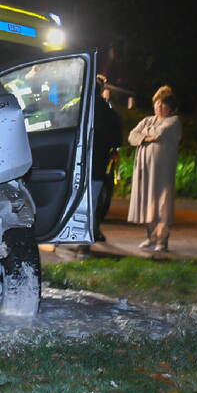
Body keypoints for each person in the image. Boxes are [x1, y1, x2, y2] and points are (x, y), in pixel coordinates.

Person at [127, 85, 182, 253]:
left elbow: (160, 133)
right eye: (157, 103)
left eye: (163, 104)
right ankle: (150, 236)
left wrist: (144, 135)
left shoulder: (174, 122)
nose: (159, 107)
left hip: (162, 172)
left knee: (162, 203)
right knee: (147, 201)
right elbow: (132, 136)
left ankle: (162, 240)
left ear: (170, 107)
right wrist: (145, 136)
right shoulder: (147, 120)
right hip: (145, 170)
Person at [75, 76, 123, 258]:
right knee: (91, 203)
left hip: (78, 166)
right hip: (97, 167)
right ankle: (84, 243)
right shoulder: (108, 112)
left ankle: (80, 242)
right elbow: (117, 138)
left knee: (78, 203)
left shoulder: (78, 107)